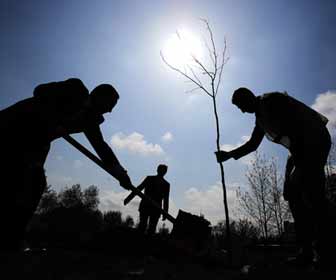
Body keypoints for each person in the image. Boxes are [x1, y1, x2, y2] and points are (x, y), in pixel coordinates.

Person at [0, 78, 133, 250]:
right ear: (100, 97)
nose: (110, 110)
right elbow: (39, 90)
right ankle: (10, 239)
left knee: (34, 184)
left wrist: (120, 174)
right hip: (13, 127)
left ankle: (11, 239)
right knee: (19, 181)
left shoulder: (89, 120)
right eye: (111, 104)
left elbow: (101, 147)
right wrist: (55, 115)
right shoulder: (75, 88)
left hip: (35, 143)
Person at [215, 87, 331, 266]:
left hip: (313, 141)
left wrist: (296, 162)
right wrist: (229, 155)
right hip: (299, 149)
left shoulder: (272, 100)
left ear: (248, 97)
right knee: (293, 194)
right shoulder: (260, 119)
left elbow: (298, 125)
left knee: (313, 195)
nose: (242, 111)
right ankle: (307, 250)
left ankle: (326, 251)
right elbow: (253, 144)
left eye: (241, 106)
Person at [137, 164, 170, 235]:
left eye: (164, 170)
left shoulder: (166, 184)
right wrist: (129, 198)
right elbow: (139, 188)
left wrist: (165, 213)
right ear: (157, 170)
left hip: (156, 209)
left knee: (151, 229)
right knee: (142, 226)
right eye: (161, 170)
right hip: (145, 206)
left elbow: (166, 199)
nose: (162, 172)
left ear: (165, 172)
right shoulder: (149, 178)